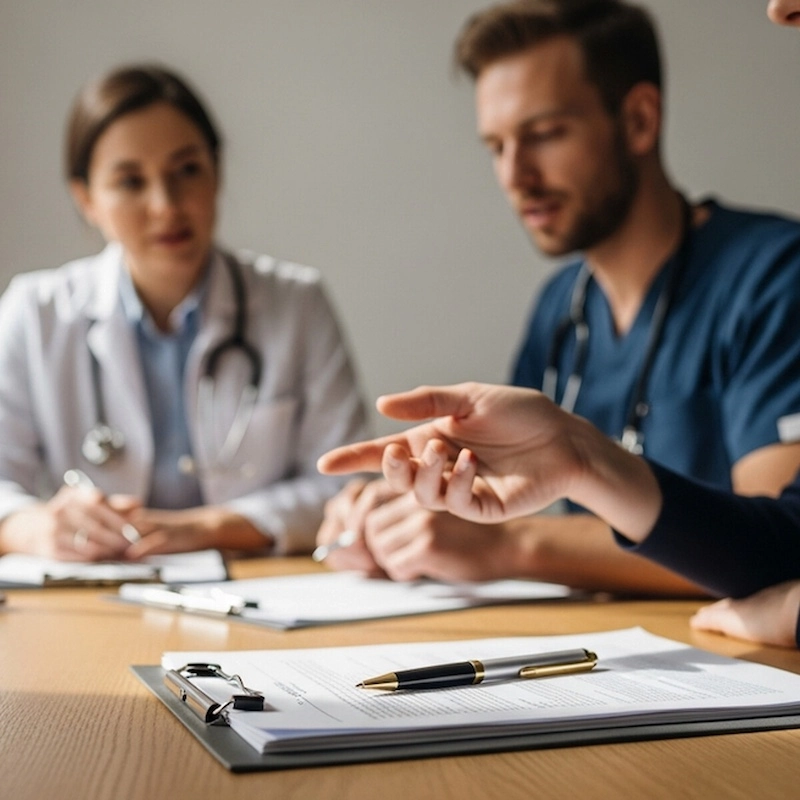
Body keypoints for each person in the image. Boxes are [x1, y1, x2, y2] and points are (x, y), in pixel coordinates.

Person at [317, 0, 800, 656]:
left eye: (544, 134)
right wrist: (412, 511)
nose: (515, 176)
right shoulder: (560, 307)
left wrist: (510, 543)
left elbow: (780, 549)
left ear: (638, 120)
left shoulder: (774, 275)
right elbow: (508, 489)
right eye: (496, 146)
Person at [0, 64, 369, 563]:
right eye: (131, 182)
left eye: (187, 170)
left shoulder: (296, 304)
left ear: (217, 171)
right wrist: (34, 528)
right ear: (87, 199)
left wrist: (206, 528)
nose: (165, 206)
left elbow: (349, 485)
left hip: (258, 584)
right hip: (93, 586)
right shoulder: (34, 313)